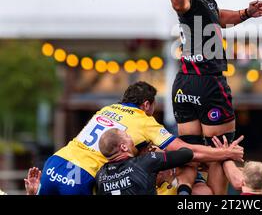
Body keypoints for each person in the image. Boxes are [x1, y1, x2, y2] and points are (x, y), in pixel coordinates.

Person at [154, 0, 262, 195]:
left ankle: (185, 193)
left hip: (185, 83)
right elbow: (178, 3)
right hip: (208, 83)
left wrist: (246, 13)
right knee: (220, 150)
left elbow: (218, 17)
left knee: (191, 149)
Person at [38, 81, 244, 195]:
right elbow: (186, 151)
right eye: (153, 107)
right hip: (82, 175)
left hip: (56, 162)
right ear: (147, 104)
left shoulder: (106, 109)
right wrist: (225, 152)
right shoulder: (144, 121)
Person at [95, 128, 193, 195]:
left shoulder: (100, 175)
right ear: (124, 147)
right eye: (127, 136)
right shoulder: (145, 162)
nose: (132, 139)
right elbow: (187, 154)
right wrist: (163, 151)